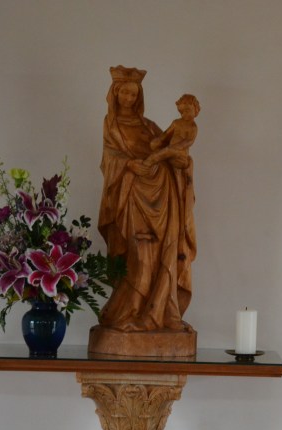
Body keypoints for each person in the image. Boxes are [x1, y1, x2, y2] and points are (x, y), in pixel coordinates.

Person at [97, 66, 197, 332]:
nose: (129, 99)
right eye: (124, 93)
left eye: (133, 94)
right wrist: (129, 164)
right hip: (132, 199)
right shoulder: (112, 126)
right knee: (140, 255)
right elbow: (109, 159)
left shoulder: (149, 126)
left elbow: (169, 150)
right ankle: (128, 313)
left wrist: (183, 162)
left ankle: (163, 313)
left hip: (163, 197)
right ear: (115, 94)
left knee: (165, 251)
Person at [144, 94, 200, 168]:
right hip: (170, 148)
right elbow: (167, 133)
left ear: (196, 110)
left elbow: (189, 141)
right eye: (181, 112)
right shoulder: (176, 122)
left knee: (168, 150)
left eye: (187, 111)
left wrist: (177, 146)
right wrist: (160, 139)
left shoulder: (193, 127)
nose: (184, 114)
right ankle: (161, 155)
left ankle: (151, 160)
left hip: (181, 153)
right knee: (153, 144)